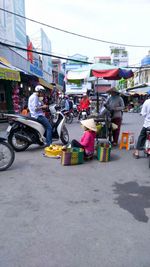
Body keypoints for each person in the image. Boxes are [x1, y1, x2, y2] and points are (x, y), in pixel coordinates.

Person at [133, 94, 150, 159]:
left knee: (142, 136)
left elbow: (143, 113)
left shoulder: (147, 102)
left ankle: (137, 153)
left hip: (147, 125)